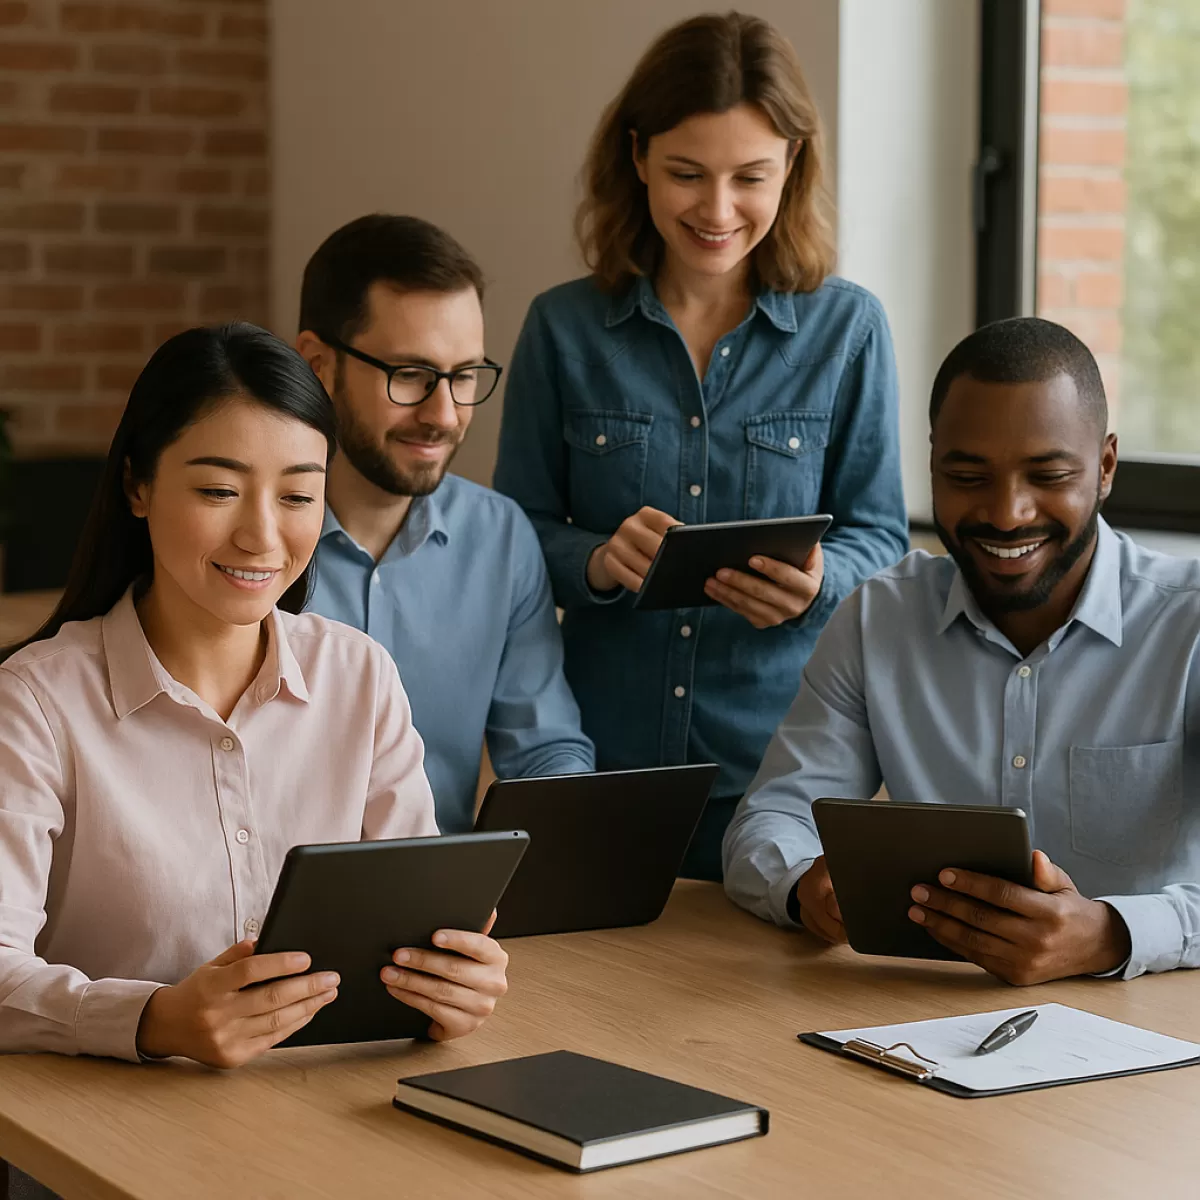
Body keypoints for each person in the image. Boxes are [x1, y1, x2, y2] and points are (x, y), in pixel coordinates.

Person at [0, 324, 509, 1073]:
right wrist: (151, 1019)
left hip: (329, 1110)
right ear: (138, 485)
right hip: (110, 1133)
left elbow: (411, 931)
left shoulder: (359, 677)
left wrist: (449, 987)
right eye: (218, 490)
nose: (262, 536)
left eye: (299, 494)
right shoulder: (36, 703)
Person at [494, 12, 908, 880]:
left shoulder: (849, 329)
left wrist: (818, 583)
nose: (717, 211)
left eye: (749, 177)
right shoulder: (562, 328)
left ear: (791, 166)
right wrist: (600, 561)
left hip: (777, 774)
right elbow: (518, 529)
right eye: (686, 173)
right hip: (602, 765)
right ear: (637, 155)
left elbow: (882, 538)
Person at [723, 316, 1200, 983]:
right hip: (919, 1019)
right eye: (969, 476)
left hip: (1156, 1043)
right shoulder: (878, 618)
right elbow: (773, 817)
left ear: (1106, 467)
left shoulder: (1190, 626)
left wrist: (1114, 933)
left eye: (1048, 475)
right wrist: (805, 886)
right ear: (932, 468)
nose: (1007, 513)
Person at [295, 215, 594, 832]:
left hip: (438, 915)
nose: (444, 414)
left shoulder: (501, 536)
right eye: (410, 375)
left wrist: (574, 828)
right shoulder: (245, 541)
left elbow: (543, 749)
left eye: (463, 377)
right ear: (318, 364)